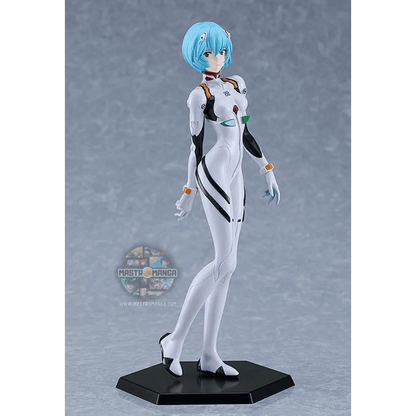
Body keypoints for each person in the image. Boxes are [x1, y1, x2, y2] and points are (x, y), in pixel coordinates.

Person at [159, 21, 280, 378]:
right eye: (209, 52)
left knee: (229, 269)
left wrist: (266, 169)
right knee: (224, 260)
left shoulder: (236, 84)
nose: (217, 57)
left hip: (237, 171)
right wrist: (188, 190)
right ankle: (174, 340)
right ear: (196, 56)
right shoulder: (199, 96)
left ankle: (209, 354)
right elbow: (195, 146)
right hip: (214, 169)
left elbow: (246, 133)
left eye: (222, 50)